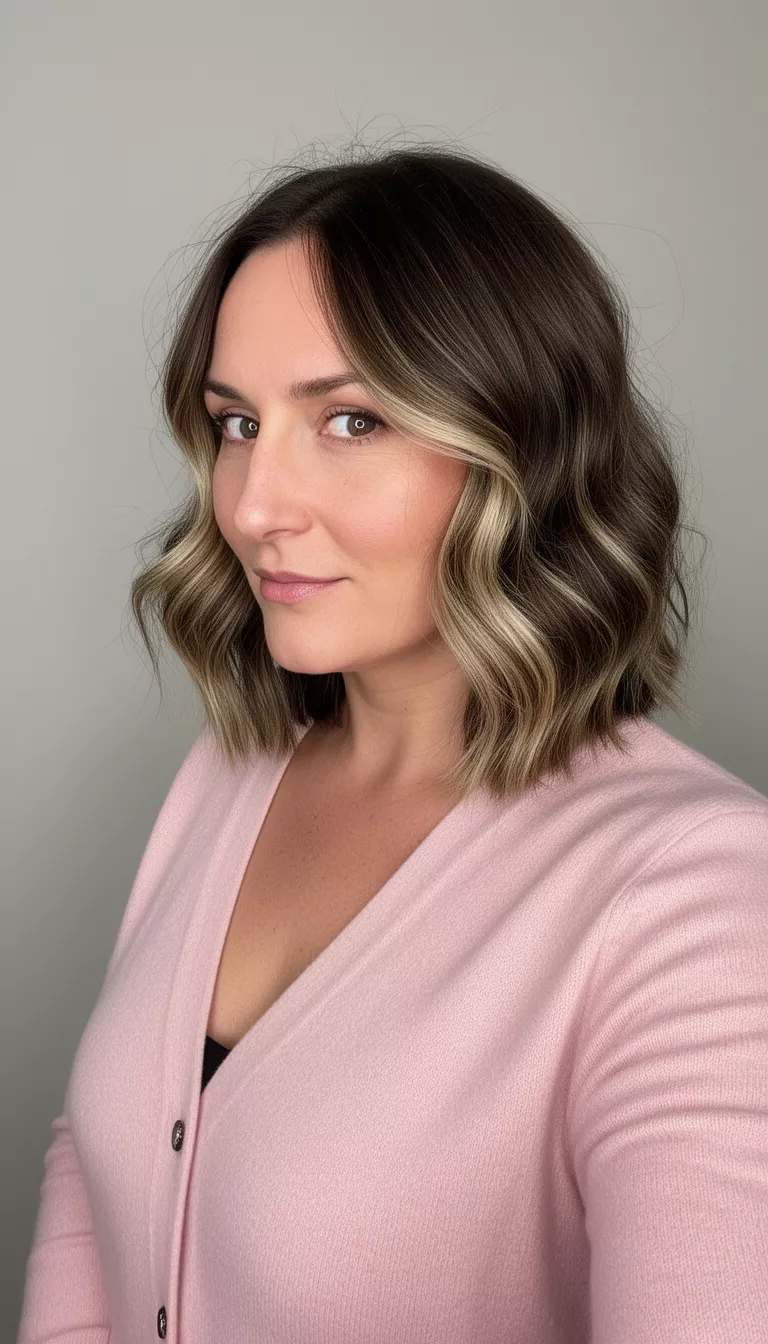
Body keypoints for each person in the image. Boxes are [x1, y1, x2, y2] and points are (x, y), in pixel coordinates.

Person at [17, 143, 768, 1344]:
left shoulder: (695, 896)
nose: (257, 502)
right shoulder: (228, 776)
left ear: (523, 449)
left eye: (351, 420)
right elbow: (93, 1162)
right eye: (237, 423)